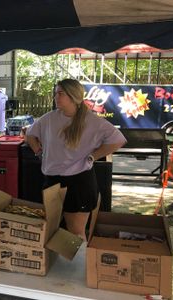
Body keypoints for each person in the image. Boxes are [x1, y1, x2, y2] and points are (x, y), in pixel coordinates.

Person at [26, 79, 126, 240]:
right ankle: (59, 263)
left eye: (60, 93)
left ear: (73, 96)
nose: (55, 97)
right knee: (52, 230)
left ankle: (81, 264)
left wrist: (94, 156)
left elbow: (118, 140)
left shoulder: (92, 121)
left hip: (78, 182)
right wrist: (38, 150)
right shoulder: (49, 118)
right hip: (52, 180)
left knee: (76, 233)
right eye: (55, 93)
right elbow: (30, 134)